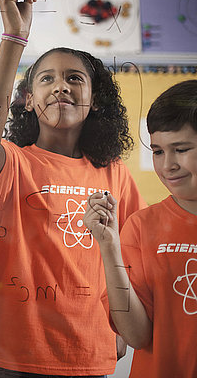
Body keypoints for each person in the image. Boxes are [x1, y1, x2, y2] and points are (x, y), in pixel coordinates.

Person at [0, 0, 146, 376]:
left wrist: (119, 324)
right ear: (28, 100)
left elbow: (133, 260)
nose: (60, 86)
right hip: (10, 353)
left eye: (74, 79)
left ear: (95, 99)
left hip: (87, 353)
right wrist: (15, 38)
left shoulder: (114, 173)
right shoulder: (14, 162)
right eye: (45, 79)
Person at [84, 80, 197, 377]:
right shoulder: (142, 226)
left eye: (181, 149)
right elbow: (136, 336)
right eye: (158, 151)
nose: (168, 165)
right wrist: (109, 247)